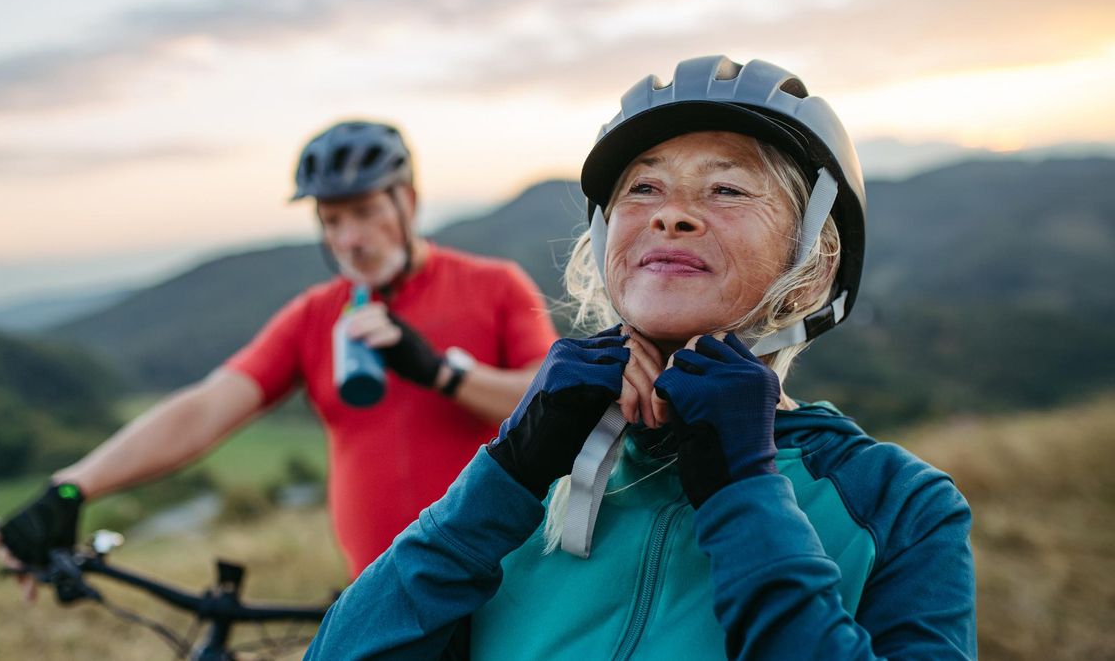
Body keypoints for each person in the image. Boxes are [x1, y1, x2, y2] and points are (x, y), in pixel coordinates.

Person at [304, 56, 977, 659]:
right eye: (644, 189)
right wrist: (511, 467)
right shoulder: (529, 492)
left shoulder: (900, 504)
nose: (672, 215)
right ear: (606, 242)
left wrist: (744, 493)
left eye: (727, 189)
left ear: (811, 265)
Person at [0, 119, 558, 590]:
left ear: (406, 201)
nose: (349, 239)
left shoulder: (494, 285)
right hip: (382, 597)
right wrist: (72, 487)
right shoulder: (315, 315)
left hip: (505, 582)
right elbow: (206, 409)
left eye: (364, 212)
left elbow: (550, 398)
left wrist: (441, 372)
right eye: (331, 220)